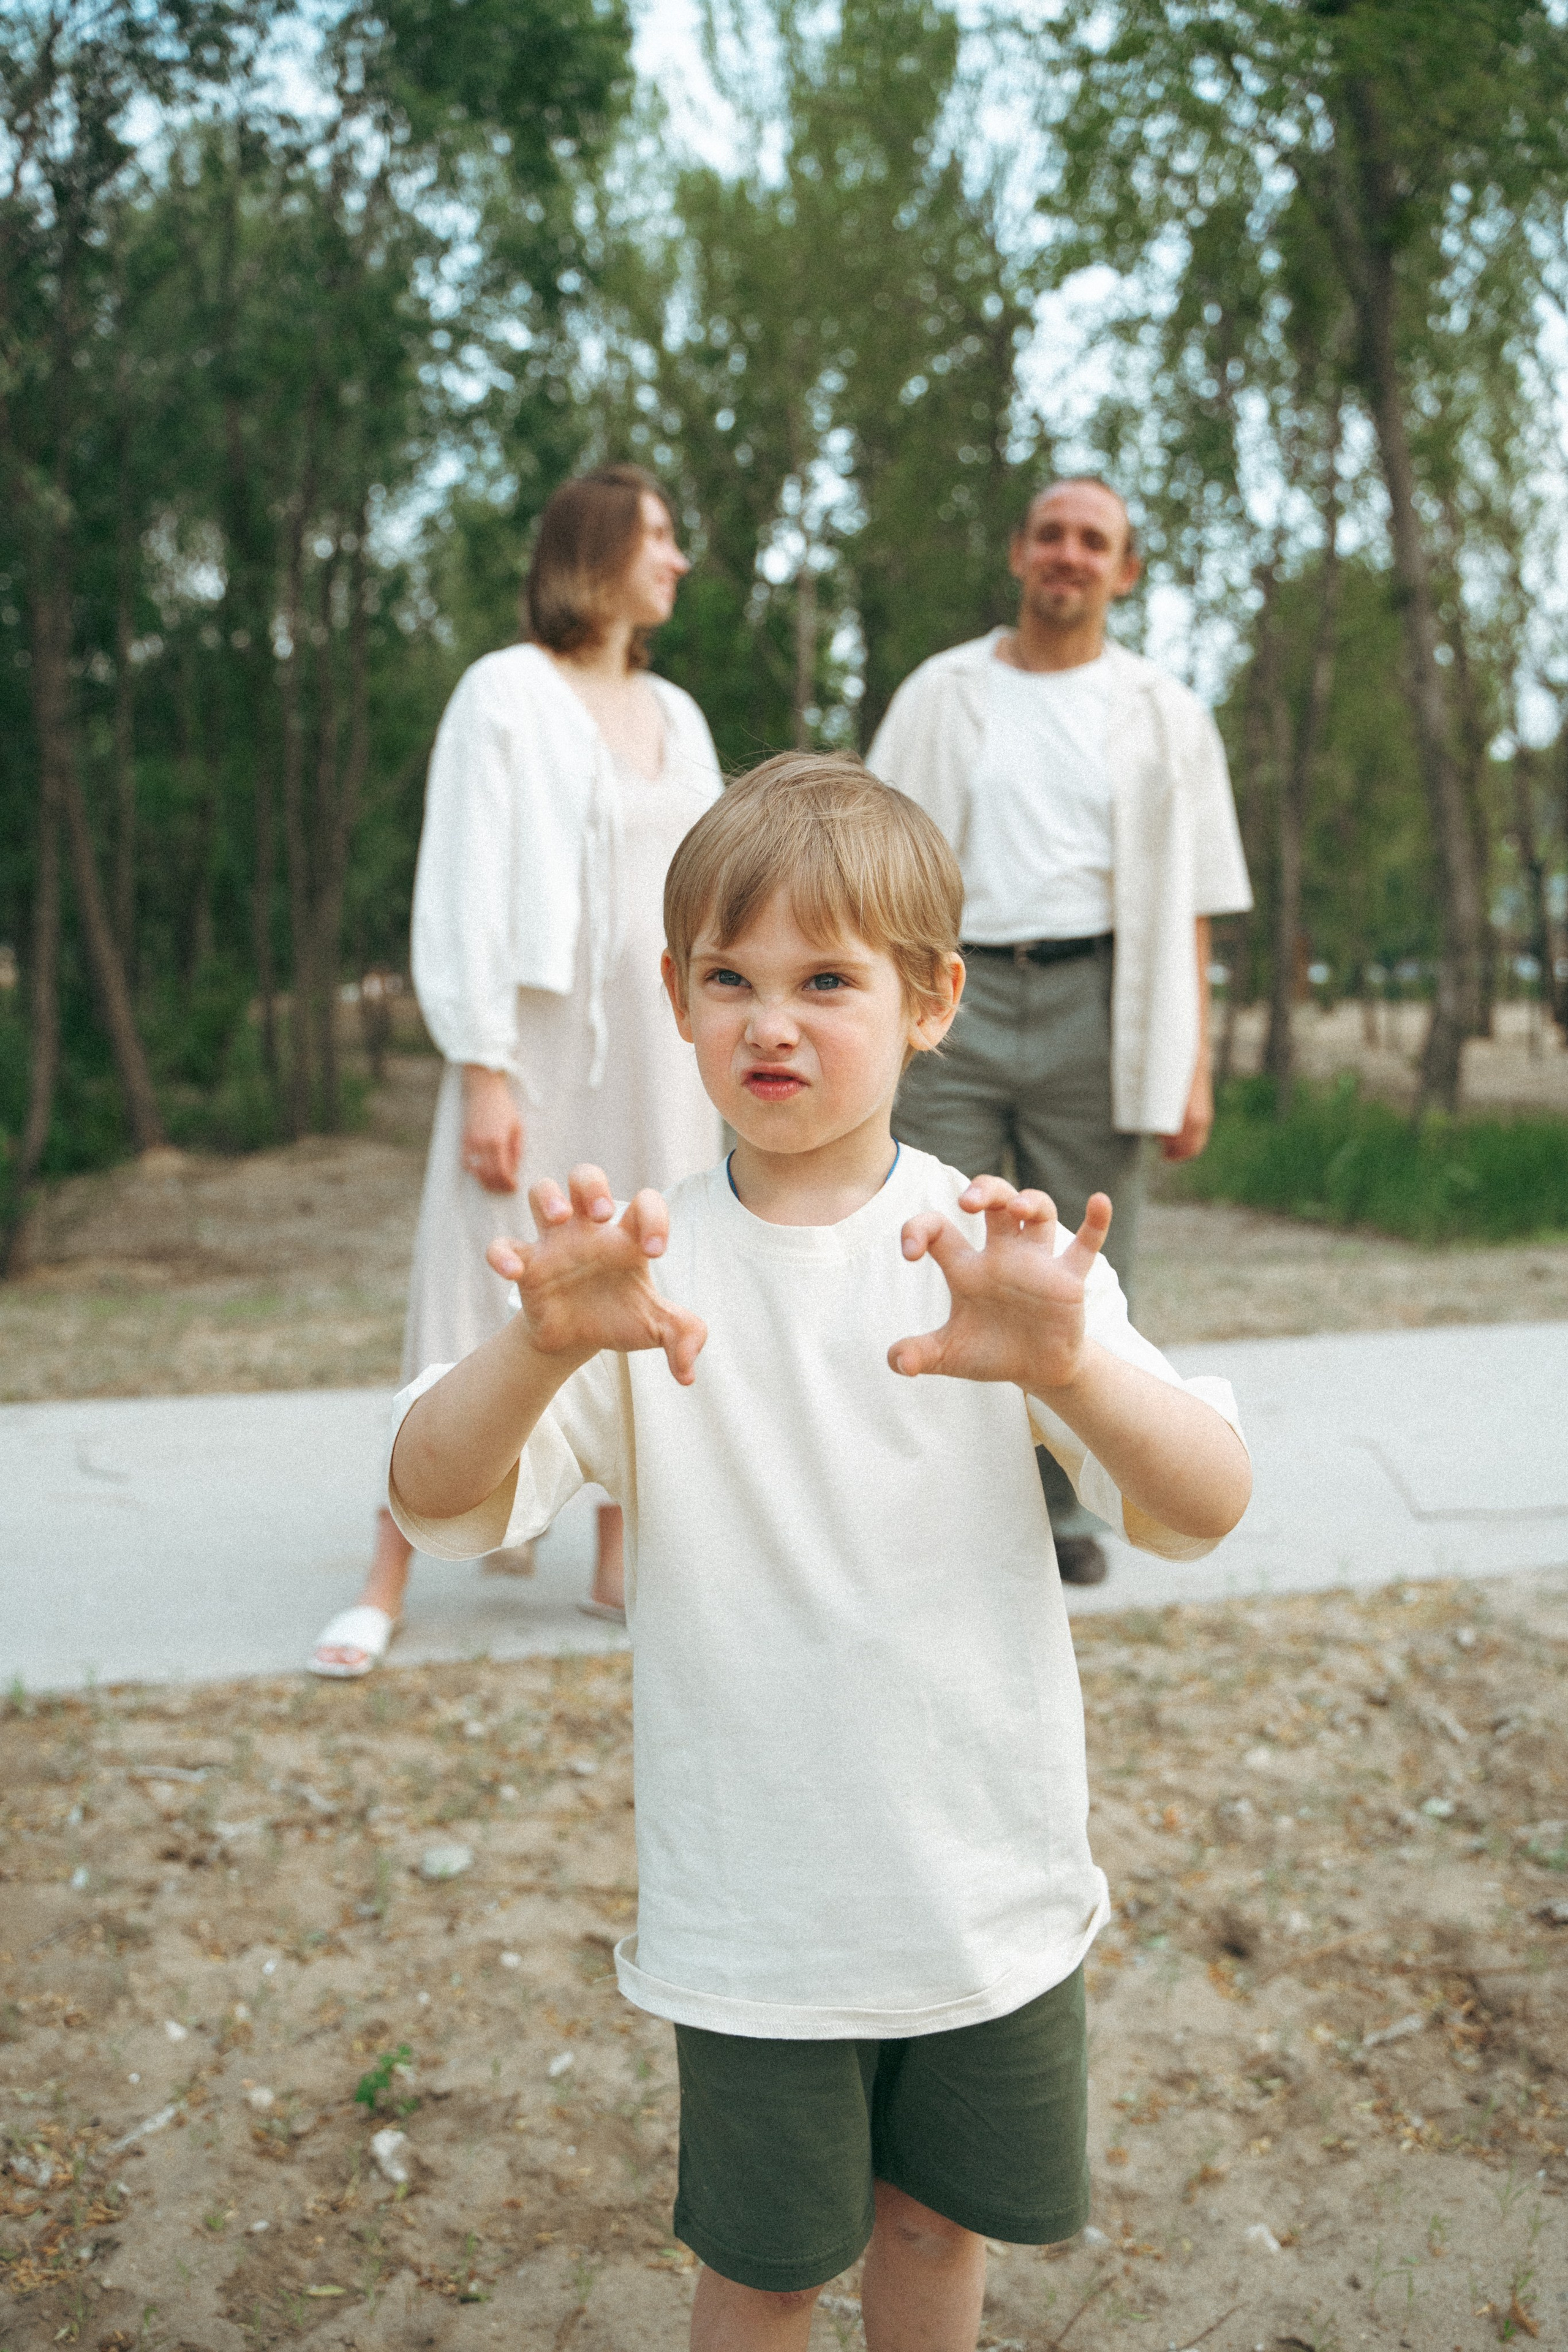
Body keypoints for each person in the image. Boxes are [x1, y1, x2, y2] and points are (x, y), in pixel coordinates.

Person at [384, 756, 1251, 2348]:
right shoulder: (639, 1273)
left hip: (983, 1885)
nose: (771, 1020)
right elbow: (435, 1497)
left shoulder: (1004, 1256)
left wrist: (1071, 1369)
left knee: (933, 2232)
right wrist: (537, 1349)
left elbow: (1203, 1504)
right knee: (770, 2271)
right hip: (757, 1916)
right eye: (732, 977)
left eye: (827, 979)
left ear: (932, 1002)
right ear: (676, 995)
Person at [310, 465, 723, 1678]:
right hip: (533, 1046)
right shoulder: (503, 692)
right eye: (657, 535)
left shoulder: (681, 716)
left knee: (642, 1265)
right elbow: (462, 882)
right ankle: (387, 1572)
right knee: (474, 1281)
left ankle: (616, 1556)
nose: (677, 559)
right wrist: (481, 1065)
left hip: (659, 1049)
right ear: (592, 549)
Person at [869, 475, 1253, 1587]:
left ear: (1124, 571)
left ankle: (1065, 1508)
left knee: (1079, 1260)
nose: (1069, 556)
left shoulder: (1165, 712)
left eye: (1095, 541)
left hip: (1100, 1001)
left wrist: (1195, 1071)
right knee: (914, 1225)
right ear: (1017, 553)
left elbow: (1188, 906)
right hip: (954, 994)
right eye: (1051, 535)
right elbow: (873, 858)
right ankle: (910, 1486)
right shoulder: (941, 693)